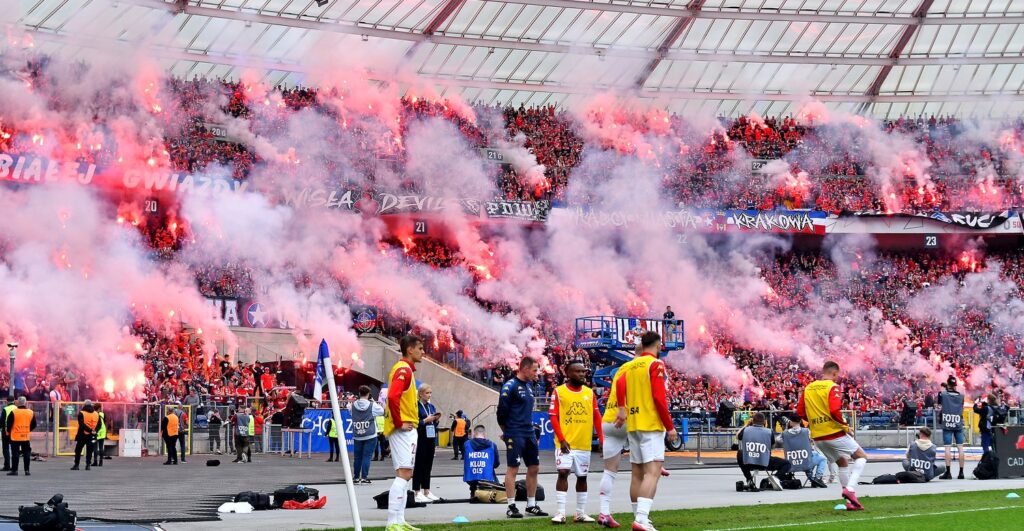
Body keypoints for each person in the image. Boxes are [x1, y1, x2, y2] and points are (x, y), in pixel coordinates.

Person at [614, 332, 677, 531]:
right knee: (653, 472)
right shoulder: (655, 364)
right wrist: (670, 426)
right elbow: (659, 398)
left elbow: (619, 386)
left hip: (633, 423)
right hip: (650, 423)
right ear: (657, 345)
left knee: (637, 474)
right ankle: (641, 519)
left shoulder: (630, 365)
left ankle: (638, 516)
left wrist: (622, 409)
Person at [797, 360, 867, 510]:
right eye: (837, 375)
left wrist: (815, 422)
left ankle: (850, 502)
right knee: (861, 457)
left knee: (842, 462)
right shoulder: (833, 387)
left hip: (817, 436)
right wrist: (845, 427)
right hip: (833, 432)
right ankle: (850, 490)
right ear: (834, 373)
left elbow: (800, 412)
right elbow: (835, 411)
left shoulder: (809, 387)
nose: (837, 378)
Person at [549, 360, 603, 524]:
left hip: (583, 444)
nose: (582, 374)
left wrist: (602, 439)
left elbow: (597, 417)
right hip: (565, 444)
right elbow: (553, 417)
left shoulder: (589, 393)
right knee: (563, 473)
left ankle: (580, 513)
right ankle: (560, 513)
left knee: (582, 477)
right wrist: (562, 439)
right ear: (568, 373)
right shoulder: (559, 392)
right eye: (578, 371)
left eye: (583, 371)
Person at [383, 335, 425, 531]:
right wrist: (399, 423)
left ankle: (399, 520)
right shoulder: (403, 370)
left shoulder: (404, 369)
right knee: (404, 474)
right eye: (420, 348)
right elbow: (392, 396)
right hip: (403, 430)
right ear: (410, 349)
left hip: (405, 428)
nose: (423, 352)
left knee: (405, 474)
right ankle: (393, 522)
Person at [498, 356, 547, 519]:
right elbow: (501, 414)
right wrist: (508, 432)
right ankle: (511, 506)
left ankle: (531, 505)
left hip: (528, 432)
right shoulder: (509, 386)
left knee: (534, 468)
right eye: (534, 370)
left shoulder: (529, 385)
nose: (536, 373)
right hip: (514, 432)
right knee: (513, 468)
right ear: (525, 369)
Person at [598, 356, 631, 529]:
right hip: (628, 419)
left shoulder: (621, 369)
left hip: (608, 420)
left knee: (609, 471)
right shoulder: (638, 366)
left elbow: (618, 384)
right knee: (645, 469)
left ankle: (604, 512)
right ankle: (641, 517)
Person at [736, 413, 791, 491]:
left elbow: (737, 435)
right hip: (765, 462)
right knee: (787, 464)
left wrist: (747, 424)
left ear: (752, 421)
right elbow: (772, 446)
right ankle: (774, 478)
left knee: (740, 453)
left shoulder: (746, 430)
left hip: (748, 462)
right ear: (764, 422)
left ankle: (749, 479)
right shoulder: (769, 432)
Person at [780, 416, 827, 488]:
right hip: (806, 461)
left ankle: (811, 478)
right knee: (822, 458)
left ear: (790, 422)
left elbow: (778, 441)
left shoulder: (784, 434)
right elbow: (812, 440)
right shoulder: (807, 431)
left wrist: (786, 428)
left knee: (809, 457)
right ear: (800, 421)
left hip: (792, 462)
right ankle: (817, 478)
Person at [413, 384, 442, 503]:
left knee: (428, 464)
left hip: (430, 438)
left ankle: (427, 490)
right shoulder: (416, 406)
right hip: (421, 438)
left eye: (430, 393)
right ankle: (416, 490)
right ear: (420, 394)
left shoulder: (431, 406)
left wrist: (436, 420)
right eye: (427, 393)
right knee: (419, 464)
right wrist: (425, 420)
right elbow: (414, 423)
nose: (429, 395)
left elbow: (434, 423)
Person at [351, 384, 385, 484]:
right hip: (370, 434)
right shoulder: (372, 405)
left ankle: (356, 477)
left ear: (359, 393)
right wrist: (373, 402)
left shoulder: (352, 405)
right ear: (369, 394)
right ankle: (364, 477)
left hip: (358, 434)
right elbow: (382, 411)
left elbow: (350, 412)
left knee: (357, 457)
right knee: (367, 457)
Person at [937, 376, 965, 479]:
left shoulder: (942, 394)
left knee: (947, 448)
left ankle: (948, 472)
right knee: (960, 447)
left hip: (947, 422)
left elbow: (939, 404)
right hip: (958, 422)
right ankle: (961, 473)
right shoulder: (961, 395)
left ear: (948, 384)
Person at [463, 425, 500, 497]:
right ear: (484, 434)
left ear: (474, 433)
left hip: (471, 478)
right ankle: (487, 491)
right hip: (487, 478)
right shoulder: (492, 445)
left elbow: (466, 460)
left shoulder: (466, 444)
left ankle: (473, 492)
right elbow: (496, 464)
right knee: (490, 470)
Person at [5, 397, 35, 476]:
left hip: (15, 436)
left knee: (15, 454)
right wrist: (27, 429)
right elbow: (34, 424)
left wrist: (8, 432)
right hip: (25, 436)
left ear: (17, 402)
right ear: (25, 402)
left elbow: (9, 424)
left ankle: (15, 470)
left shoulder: (14, 412)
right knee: (26, 453)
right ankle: (27, 470)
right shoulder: (31, 412)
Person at [72, 400, 99, 471]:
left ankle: (76, 465)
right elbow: (99, 424)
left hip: (82, 435)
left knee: (78, 450)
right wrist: (94, 430)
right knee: (90, 450)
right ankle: (88, 465)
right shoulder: (96, 414)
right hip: (92, 435)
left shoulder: (81, 413)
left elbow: (81, 424)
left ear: (84, 405)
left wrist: (89, 430)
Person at [1, 399, 15, 471]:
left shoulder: (5, 409)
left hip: (6, 431)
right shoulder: (17, 408)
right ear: (14, 400)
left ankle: (7, 466)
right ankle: (14, 467)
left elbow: (2, 421)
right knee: (14, 449)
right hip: (15, 432)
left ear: (7, 401)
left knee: (6, 449)